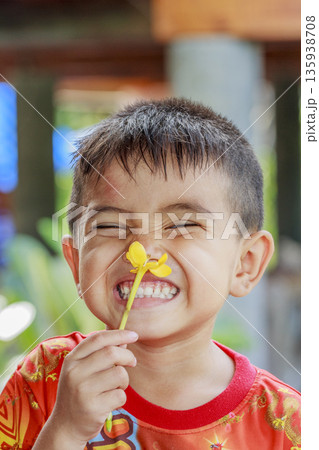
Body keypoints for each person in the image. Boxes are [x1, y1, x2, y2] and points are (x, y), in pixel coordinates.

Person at [0, 98, 301, 449]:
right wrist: (64, 431)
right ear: (76, 262)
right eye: (110, 225)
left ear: (246, 262)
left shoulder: (287, 424)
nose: (141, 250)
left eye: (184, 224)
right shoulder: (43, 380)